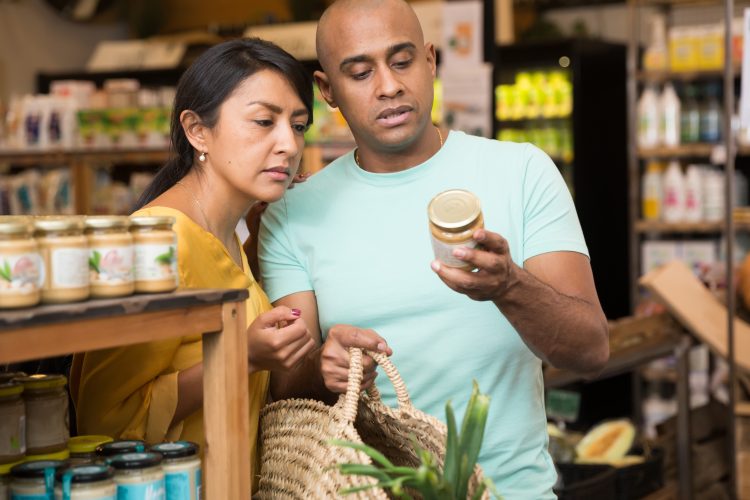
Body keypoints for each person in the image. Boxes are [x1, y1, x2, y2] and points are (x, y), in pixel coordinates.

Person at [258, 0, 609, 497]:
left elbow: (590, 350)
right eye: (359, 72)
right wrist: (323, 367)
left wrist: (510, 286)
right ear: (326, 91)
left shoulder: (522, 172)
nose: (388, 85)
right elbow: (285, 387)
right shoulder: (293, 214)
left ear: (430, 61)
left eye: (402, 61)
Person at [70, 38, 317, 487]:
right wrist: (240, 358)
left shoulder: (229, 235)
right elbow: (102, 423)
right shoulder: (157, 243)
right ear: (197, 130)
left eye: (298, 126)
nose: (288, 143)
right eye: (264, 121)